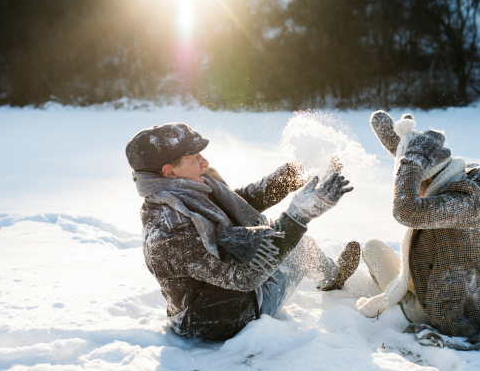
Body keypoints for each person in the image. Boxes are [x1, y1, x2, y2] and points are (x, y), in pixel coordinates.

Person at [125, 123, 360, 341]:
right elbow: (242, 278)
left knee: (274, 234)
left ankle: (327, 273)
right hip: (219, 320)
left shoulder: (187, 193)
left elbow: (241, 201)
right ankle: (333, 278)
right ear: (170, 172)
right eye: (194, 158)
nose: (204, 162)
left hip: (224, 301)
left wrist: (299, 170)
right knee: (301, 247)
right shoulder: (170, 231)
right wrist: (298, 216)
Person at [356, 111, 480, 350]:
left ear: (424, 177)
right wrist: (404, 148)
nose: (411, 189)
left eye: (414, 181)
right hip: (469, 291)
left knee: (372, 248)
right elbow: (430, 165)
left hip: (450, 312)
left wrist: (412, 160)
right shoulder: (466, 180)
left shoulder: (464, 202)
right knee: (378, 246)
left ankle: (406, 302)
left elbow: (405, 210)